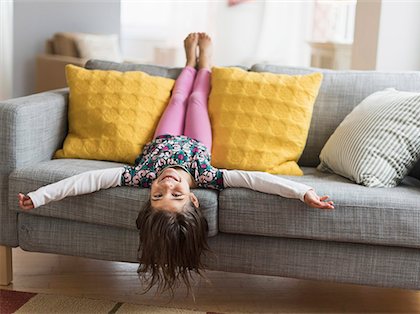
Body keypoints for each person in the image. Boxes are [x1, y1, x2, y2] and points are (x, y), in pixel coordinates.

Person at [18, 32, 334, 295]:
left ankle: (189, 62)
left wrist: (41, 195)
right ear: (194, 197)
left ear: (148, 194)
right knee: (197, 100)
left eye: (158, 195)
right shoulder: (208, 176)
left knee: (179, 98)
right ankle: (204, 64)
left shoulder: (140, 175)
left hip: (164, 137)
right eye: (177, 194)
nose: (167, 185)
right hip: (197, 139)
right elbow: (257, 180)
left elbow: (87, 181)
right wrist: (302, 191)